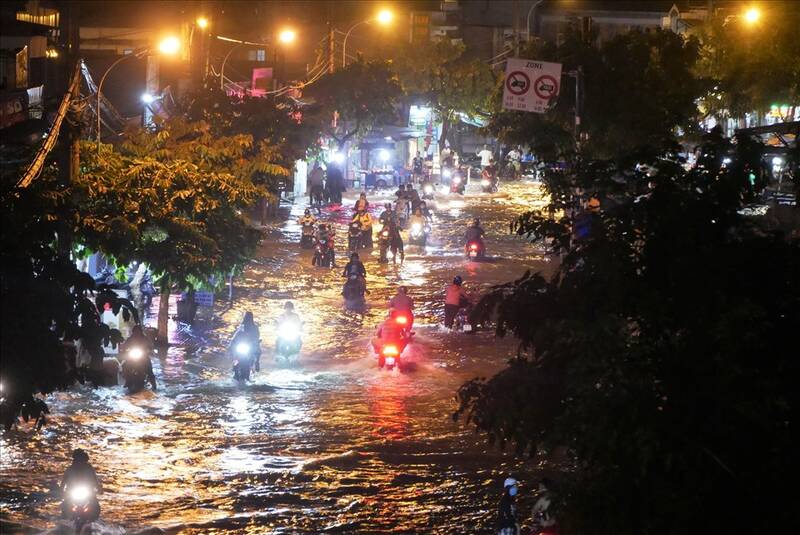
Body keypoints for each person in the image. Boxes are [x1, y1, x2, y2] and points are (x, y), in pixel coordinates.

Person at [61, 449, 101, 520]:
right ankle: (65, 520)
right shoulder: (70, 469)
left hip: (87, 492)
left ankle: (93, 519)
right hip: (72, 492)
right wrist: (61, 490)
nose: (80, 461)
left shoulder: (89, 469)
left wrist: (99, 488)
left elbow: (95, 480)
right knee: (65, 504)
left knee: (95, 505)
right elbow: (63, 481)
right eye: (78, 459)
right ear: (75, 459)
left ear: (85, 460)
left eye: (81, 459)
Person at [119, 325, 157, 390]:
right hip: (132, 356)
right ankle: (127, 381)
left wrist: (149, 350)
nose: (137, 333)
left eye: (138, 331)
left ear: (140, 332)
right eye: (135, 331)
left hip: (143, 356)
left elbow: (150, 346)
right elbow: (124, 346)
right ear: (133, 332)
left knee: (149, 368)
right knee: (125, 366)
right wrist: (123, 350)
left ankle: (154, 384)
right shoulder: (130, 339)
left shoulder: (145, 339)